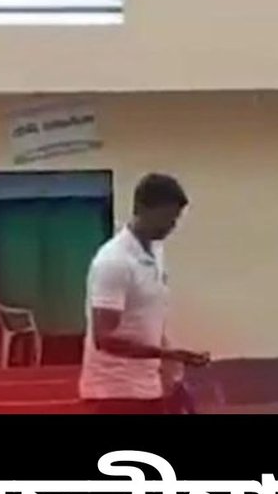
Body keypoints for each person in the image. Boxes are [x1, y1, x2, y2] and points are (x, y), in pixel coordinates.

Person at [78, 172, 210, 415]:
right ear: (141, 209)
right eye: (166, 217)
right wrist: (168, 354)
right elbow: (105, 338)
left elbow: (149, 319)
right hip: (114, 393)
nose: (172, 225)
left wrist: (172, 370)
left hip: (148, 388)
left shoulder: (155, 253)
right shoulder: (114, 261)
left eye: (175, 218)